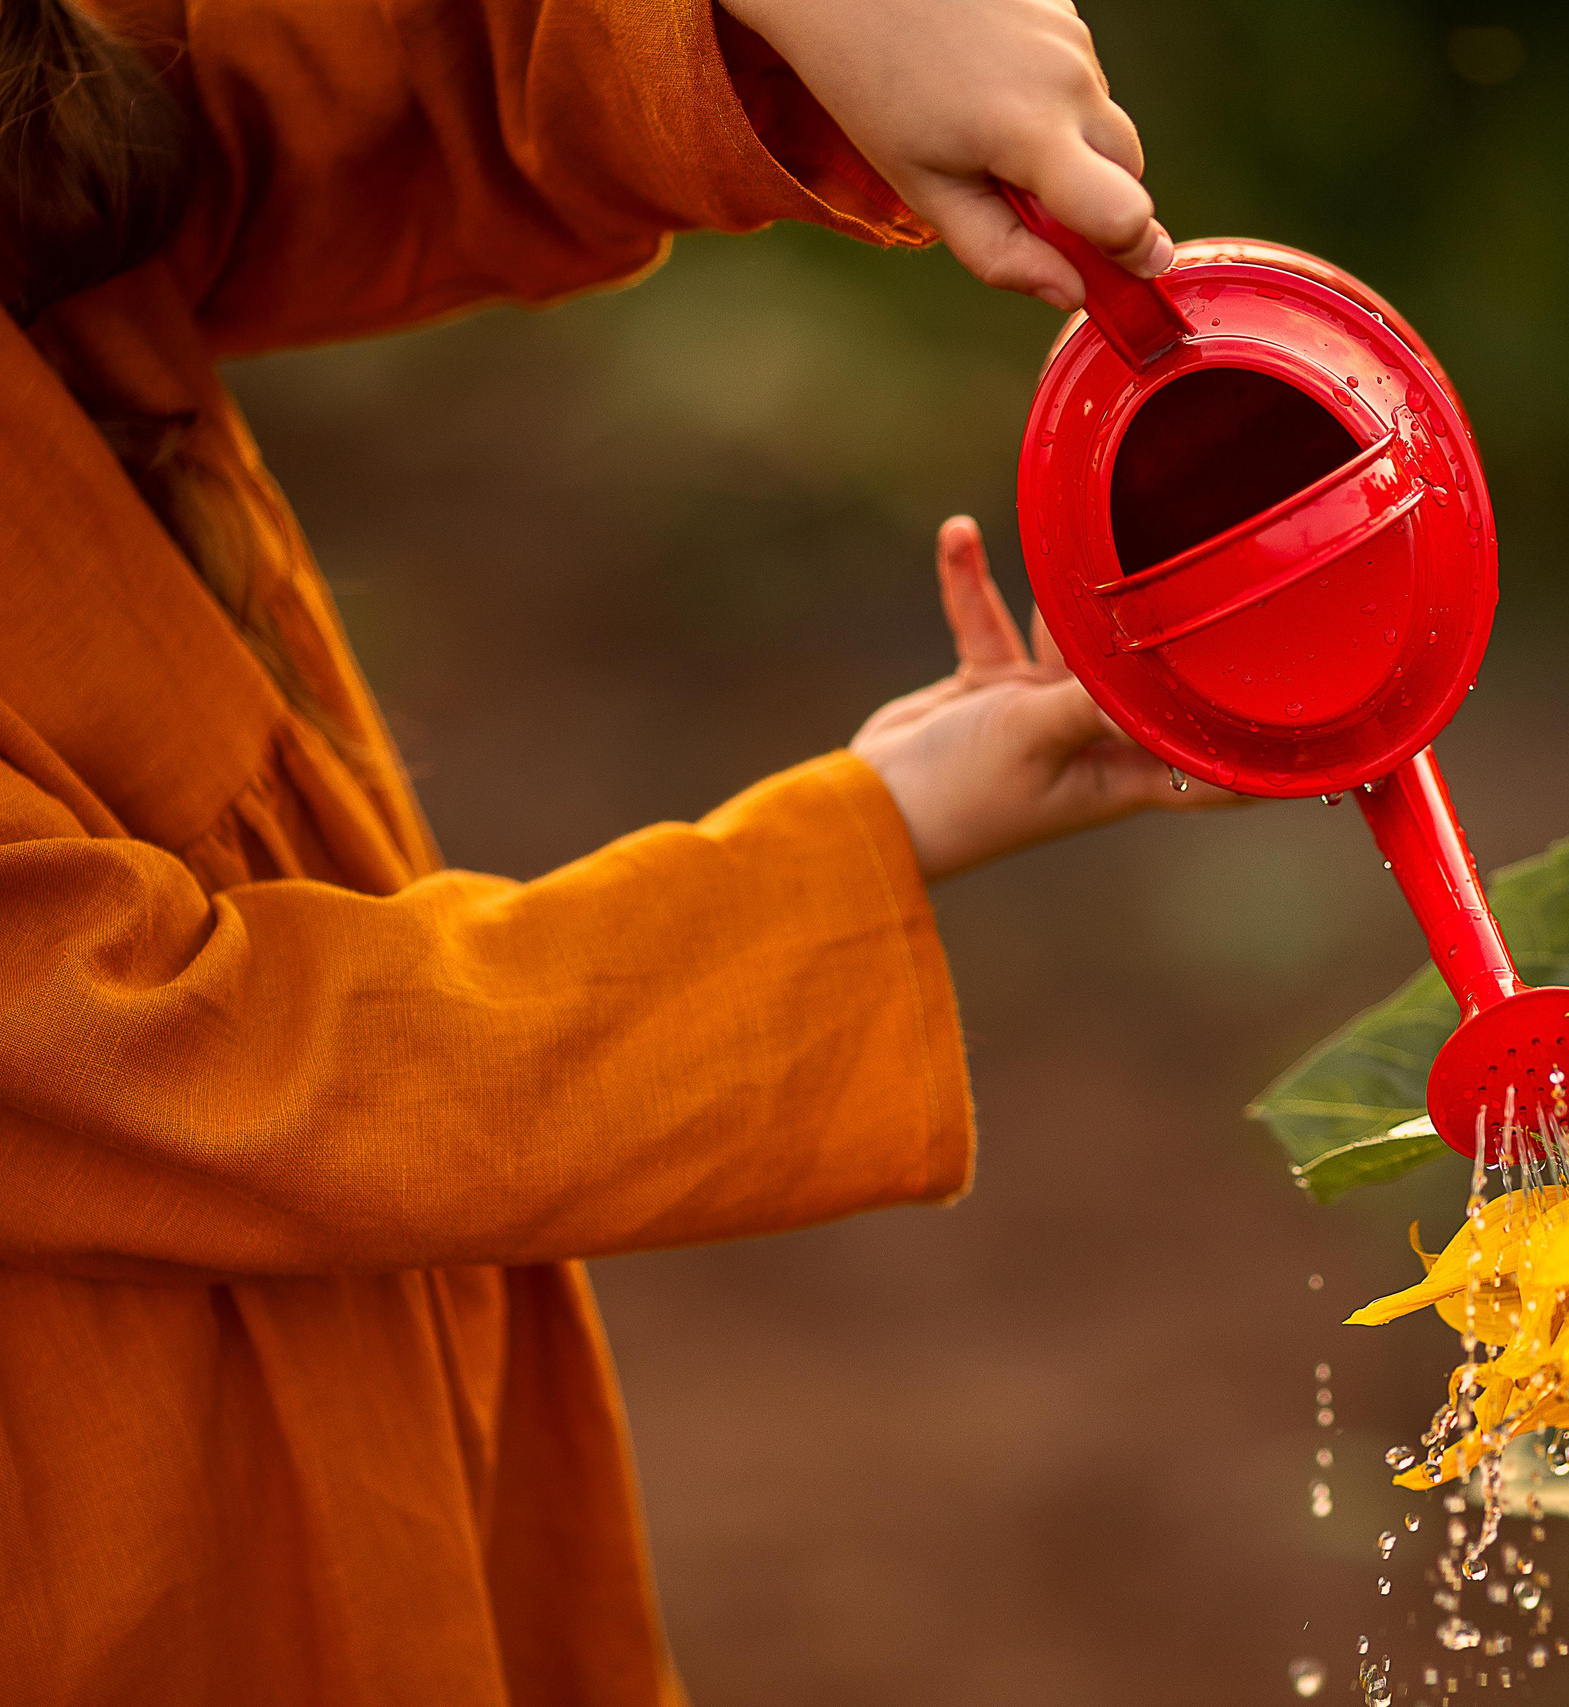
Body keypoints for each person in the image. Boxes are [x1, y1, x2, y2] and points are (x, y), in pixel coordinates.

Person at [0, 0, 1222, 1698]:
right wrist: (857, 838)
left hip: (354, 1411)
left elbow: (270, 92)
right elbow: (210, 1059)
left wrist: (769, 33)